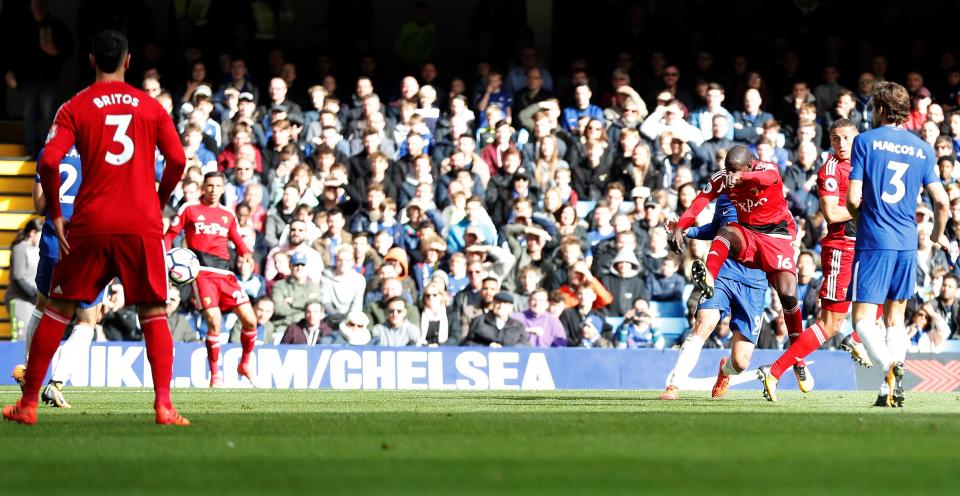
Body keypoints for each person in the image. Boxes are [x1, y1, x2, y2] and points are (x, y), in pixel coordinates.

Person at [4, 30, 189, 426]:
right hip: (140, 223)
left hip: (90, 223)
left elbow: (51, 162)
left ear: (90, 60)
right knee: (154, 312)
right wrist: (158, 201)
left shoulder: (75, 107)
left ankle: (29, 404)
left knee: (56, 310)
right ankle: (163, 406)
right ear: (128, 61)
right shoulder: (150, 107)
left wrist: (55, 211)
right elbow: (176, 159)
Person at [803, 81, 948, 408]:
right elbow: (941, 203)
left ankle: (889, 368)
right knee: (895, 318)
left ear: (879, 109)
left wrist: (865, 212)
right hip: (908, 243)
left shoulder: (865, 142)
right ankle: (888, 391)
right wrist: (936, 237)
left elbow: (853, 197)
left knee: (863, 321)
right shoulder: (923, 148)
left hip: (874, 240)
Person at [671, 145, 812, 392]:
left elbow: (769, 177)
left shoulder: (765, 170)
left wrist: (742, 176)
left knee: (788, 296)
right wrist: (681, 227)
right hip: (741, 246)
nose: (729, 176)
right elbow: (698, 205)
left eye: (734, 170)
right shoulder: (724, 184)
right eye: (727, 170)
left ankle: (797, 358)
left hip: (773, 238)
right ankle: (710, 278)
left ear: (749, 166)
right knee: (726, 231)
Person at [757, 120, 875, 401]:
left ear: (858, 137)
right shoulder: (830, 170)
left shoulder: (867, 161)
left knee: (891, 290)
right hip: (841, 249)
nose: (842, 144)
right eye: (836, 139)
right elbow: (832, 214)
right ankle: (774, 371)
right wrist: (869, 205)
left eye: (847, 138)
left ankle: (855, 339)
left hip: (868, 246)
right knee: (830, 323)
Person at [12, 147, 109, 409]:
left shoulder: (48, 152)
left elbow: (39, 205)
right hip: (86, 247)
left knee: (43, 307)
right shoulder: (101, 153)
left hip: (53, 246)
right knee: (87, 319)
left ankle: (30, 373)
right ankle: (56, 384)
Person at [659, 194, 769, 400]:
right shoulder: (726, 197)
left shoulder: (770, 200)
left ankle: (725, 372)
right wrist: (685, 230)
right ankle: (674, 385)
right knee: (704, 323)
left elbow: (785, 236)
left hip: (754, 282)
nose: (734, 175)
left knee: (740, 362)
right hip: (723, 272)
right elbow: (716, 228)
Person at [164, 172, 259, 387]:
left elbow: (236, 239)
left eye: (218, 186)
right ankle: (216, 375)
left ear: (223, 188)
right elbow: (170, 234)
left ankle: (244, 364)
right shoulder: (190, 209)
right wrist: (165, 258)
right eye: (210, 186)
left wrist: (246, 253)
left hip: (225, 274)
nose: (214, 190)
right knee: (215, 322)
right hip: (202, 273)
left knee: (251, 321)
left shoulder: (227, 214)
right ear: (202, 188)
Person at [462, 292, 529, 347]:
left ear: (511, 308)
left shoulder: (518, 326)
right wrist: (486, 346)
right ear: (492, 304)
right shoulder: (480, 321)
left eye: (505, 304)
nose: (501, 306)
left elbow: (525, 345)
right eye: (498, 303)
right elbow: (468, 343)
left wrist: (510, 349)